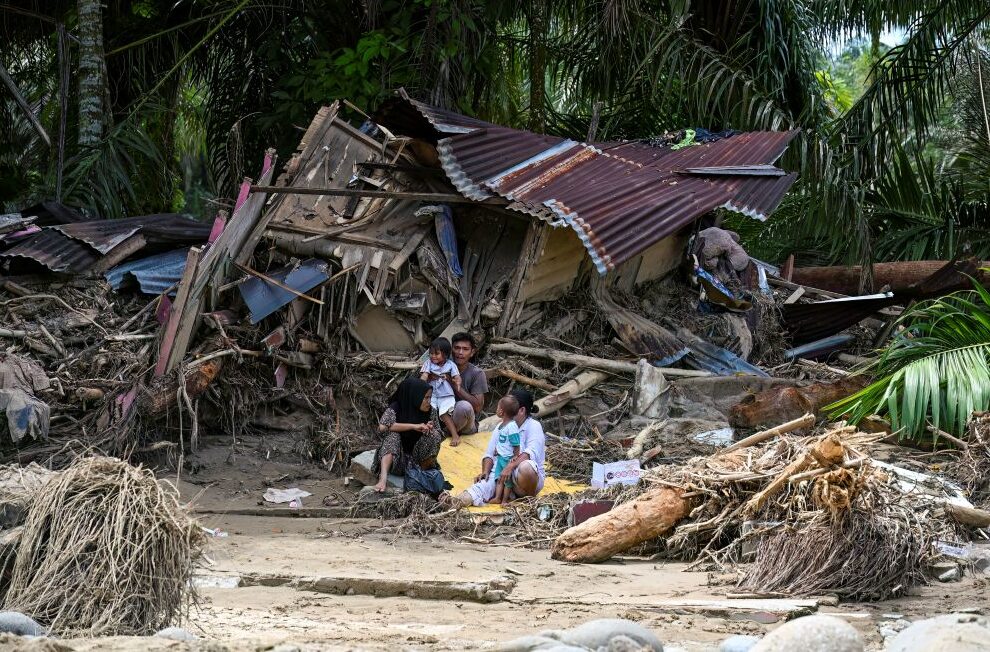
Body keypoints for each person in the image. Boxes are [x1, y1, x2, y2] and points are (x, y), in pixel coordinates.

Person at [444, 389, 546, 507]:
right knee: (479, 489)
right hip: (501, 474)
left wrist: (510, 466)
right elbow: (489, 454)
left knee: (526, 467)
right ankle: (454, 502)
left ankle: (529, 500)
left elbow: (530, 453)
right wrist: (485, 472)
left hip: (523, 479)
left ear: (522, 410)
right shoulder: (501, 427)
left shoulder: (534, 426)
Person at [372, 377, 443, 493]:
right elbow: (383, 427)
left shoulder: (431, 411)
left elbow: (439, 433)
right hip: (398, 460)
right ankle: (382, 478)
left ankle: (422, 474)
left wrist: (430, 428)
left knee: (434, 435)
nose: (429, 401)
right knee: (393, 436)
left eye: (430, 397)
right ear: (415, 396)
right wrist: (414, 426)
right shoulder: (397, 407)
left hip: (416, 461)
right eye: (426, 398)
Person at [420, 337, 462, 445]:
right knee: (430, 413)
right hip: (431, 394)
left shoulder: (451, 365)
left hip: (446, 393)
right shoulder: (428, 363)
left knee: (444, 414)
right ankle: (432, 436)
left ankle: (455, 435)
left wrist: (457, 382)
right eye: (431, 353)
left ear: (445, 354)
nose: (433, 356)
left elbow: (457, 376)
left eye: (436, 353)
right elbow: (424, 375)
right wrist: (420, 385)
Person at [449, 332, 488, 436]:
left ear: (472, 352)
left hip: (466, 425)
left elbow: (478, 407)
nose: (460, 352)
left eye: (465, 349)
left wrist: (454, 384)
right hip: (443, 417)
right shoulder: (442, 367)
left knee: (464, 407)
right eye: (457, 348)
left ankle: (447, 432)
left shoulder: (477, 374)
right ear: (451, 349)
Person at [487, 395, 521, 505]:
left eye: (497, 408)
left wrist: (516, 456)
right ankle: (497, 497)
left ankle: (505, 500)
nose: (496, 410)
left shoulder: (512, 426)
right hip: (501, 457)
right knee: (499, 478)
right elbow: (503, 441)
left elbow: (516, 443)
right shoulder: (502, 425)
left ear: (502, 411)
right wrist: (498, 450)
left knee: (507, 481)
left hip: (507, 458)